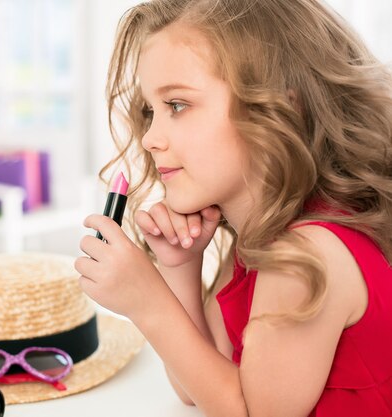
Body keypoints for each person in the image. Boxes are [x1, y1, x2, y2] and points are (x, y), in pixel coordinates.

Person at [74, 1, 392, 416]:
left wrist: (147, 302)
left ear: (284, 108)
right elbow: (198, 386)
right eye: (151, 111)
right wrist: (178, 268)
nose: (150, 137)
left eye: (177, 105)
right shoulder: (256, 239)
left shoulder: (305, 256)